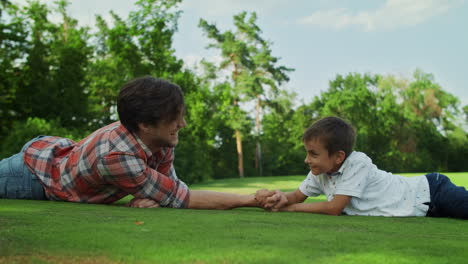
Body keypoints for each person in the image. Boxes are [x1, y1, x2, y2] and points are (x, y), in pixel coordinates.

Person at [0, 76, 258, 210]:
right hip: (31, 175)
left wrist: (156, 197)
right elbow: (181, 198)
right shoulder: (118, 157)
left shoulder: (161, 141)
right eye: (174, 119)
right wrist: (250, 200)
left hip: (55, 154)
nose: (183, 124)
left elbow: (170, 188)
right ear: (145, 125)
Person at [255, 116, 468, 219]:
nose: (307, 160)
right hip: (426, 210)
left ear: (338, 156)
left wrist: (289, 209)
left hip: (432, 191)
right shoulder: (319, 172)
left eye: (313, 153)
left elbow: (334, 208)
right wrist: (279, 198)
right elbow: (296, 196)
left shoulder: (357, 162)